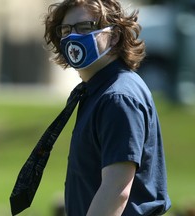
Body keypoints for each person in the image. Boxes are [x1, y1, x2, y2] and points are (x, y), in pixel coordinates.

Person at [43, 0, 171, 215]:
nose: (73, 37)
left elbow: (116, 190)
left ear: (114, 35)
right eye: (66, 30)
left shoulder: (117, 97)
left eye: (85, 27)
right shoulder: (99, 90)